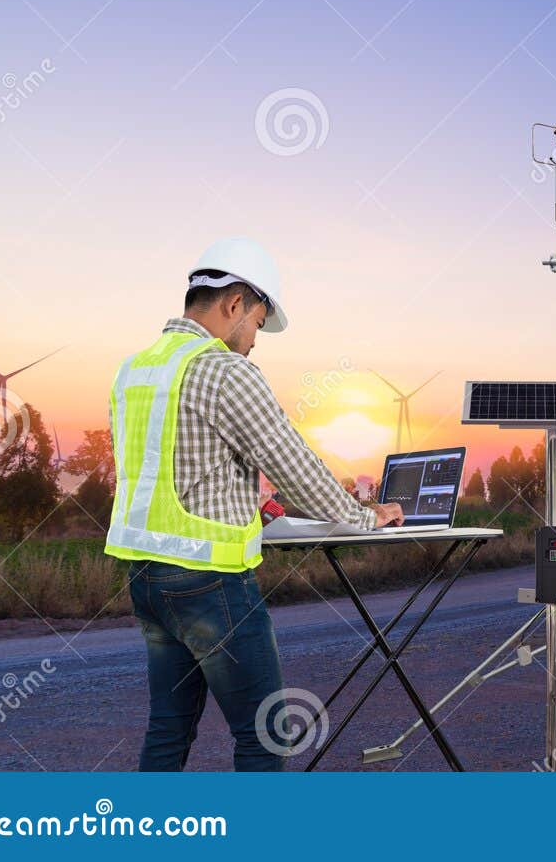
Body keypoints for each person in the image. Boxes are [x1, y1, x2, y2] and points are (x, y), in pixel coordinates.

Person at [104, 237, 404, 771]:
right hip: (210, 582)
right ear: (235, 303)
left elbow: (174, 468)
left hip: (147, 579)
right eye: (259, 323)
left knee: (169, 729)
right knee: (265, 736)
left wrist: (251, 501)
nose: (256, 340)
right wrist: (364, 516)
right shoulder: (223, 370)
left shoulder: (136, 370)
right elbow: (294, 464)